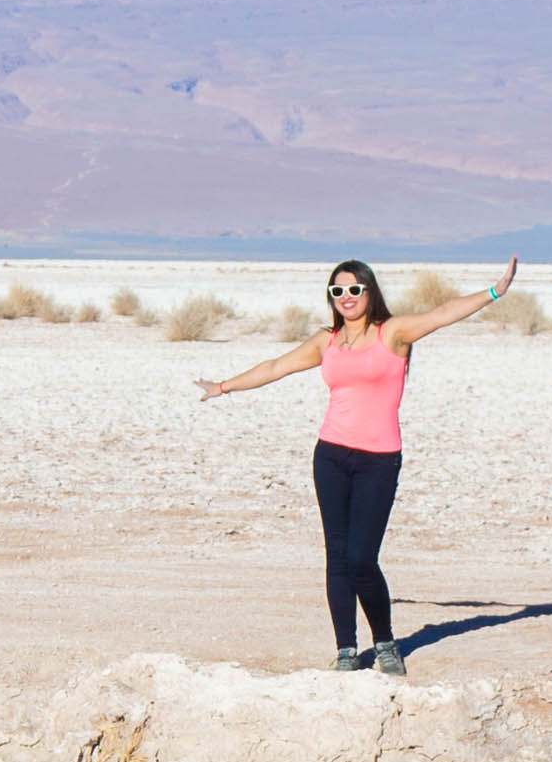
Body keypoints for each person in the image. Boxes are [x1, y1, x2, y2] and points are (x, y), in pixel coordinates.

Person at [197, 258, 517, 676]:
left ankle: (384, 640)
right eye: (337, 292)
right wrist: (222, 387)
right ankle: (346, 647)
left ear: (369, 292)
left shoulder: (393, 333)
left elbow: (441, 314)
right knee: (338, 557)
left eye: (354, 290)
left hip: (378, 460)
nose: (346, 298)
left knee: (363, 558)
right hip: (330, 455)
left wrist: (494, 292)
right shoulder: (325, 341)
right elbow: (276, 367)